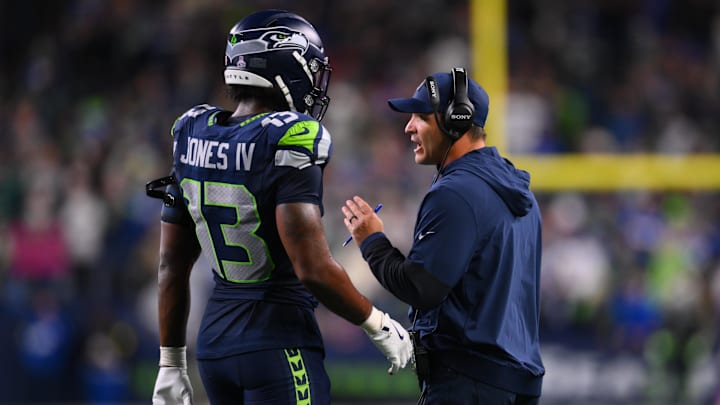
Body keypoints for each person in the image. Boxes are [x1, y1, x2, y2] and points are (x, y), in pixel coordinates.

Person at [146, 9, 412, 405]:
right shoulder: (290, 137)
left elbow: (171, 264)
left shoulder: (191, 131)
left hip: (215, 341)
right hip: (277, 340)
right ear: (283, 66)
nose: (315, 83)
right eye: (310, 69)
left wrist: (170, 362)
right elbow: (313, 268)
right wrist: (377, 323)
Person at [341, 67, 545, 404]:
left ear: (456, 120)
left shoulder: (457, 192)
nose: (409, 127)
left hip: (468, 382)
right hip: (513, 383)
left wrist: (371, 241)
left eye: (421, 117)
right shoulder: (513, 187)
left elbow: (421, 288)